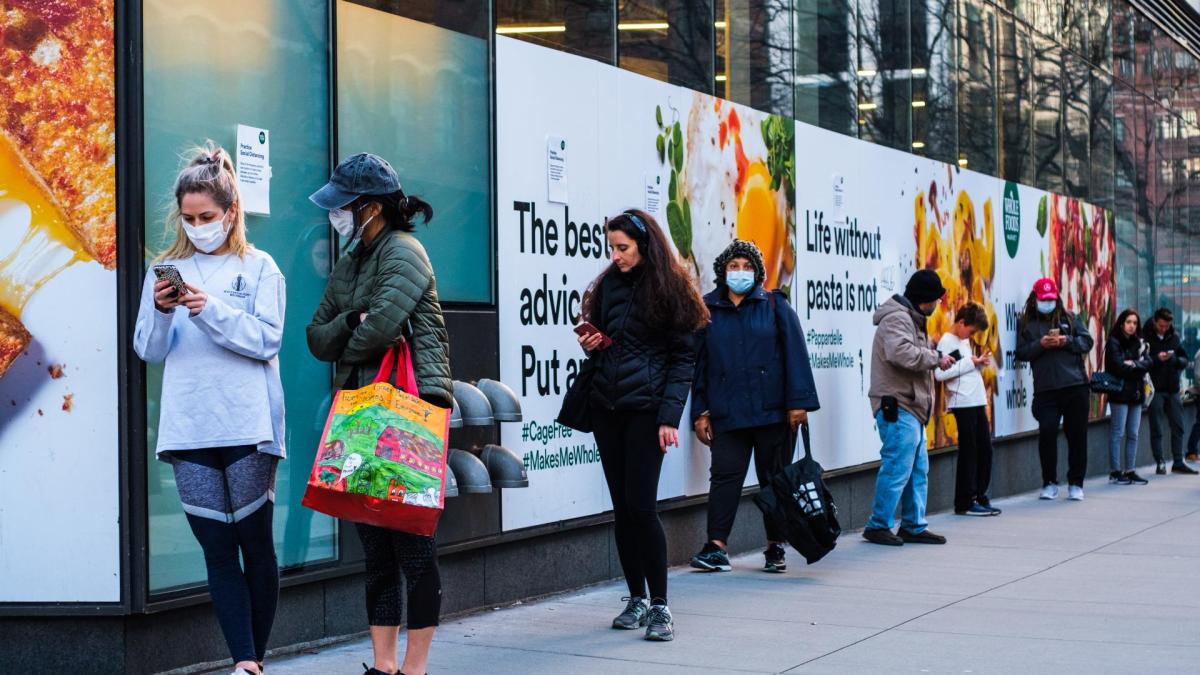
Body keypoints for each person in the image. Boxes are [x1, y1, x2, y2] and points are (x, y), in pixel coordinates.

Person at [133, 143, 285, 675]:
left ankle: (253, 659)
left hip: (248, 423)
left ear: (230, 213)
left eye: (207, 217)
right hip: (188, 425)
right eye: (189, 217)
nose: (197, 226)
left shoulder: (260, 267)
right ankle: (245, 661)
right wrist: (159, 309)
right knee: (217, 550)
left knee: (255, 545)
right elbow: (148, 350)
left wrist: (208, 309)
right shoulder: (165, 269)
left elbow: (267, 340)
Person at [306, 153, 450, 675]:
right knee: (377, 553)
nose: (336, 215)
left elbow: (380, 330)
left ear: (369, 206)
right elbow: (317, 337)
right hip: (362, 412)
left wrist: (354, 330)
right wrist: (351, 319)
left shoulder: (404, 251)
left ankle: (414, 669)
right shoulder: (355, 257)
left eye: (344, 205)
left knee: (414, 547)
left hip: (408, 410)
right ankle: (383, 667)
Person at [577, 209, 707, 642]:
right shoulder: (608, 286)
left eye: (623, 248)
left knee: (642, 507)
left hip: (647, 411)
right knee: (622, 509)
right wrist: (591, 341)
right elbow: (606, 343)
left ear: (645, 244)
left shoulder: (671, 289)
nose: (616, 256)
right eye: (611, 247)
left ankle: (661, 606)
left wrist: (669, 417)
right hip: (606, 407)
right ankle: (635, 598)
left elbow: (683, 358)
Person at [689, 240, 821, 574]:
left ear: (757, 272)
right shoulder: (706, 309)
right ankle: (716, 547)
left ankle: (775, 546)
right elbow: (698, 365)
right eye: (733, 266)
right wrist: (700, 411)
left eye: (747, 267)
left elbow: (796, 355)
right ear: (723, 271)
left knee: (774, 479)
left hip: (773, 412)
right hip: (727, 412)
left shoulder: (775, 306)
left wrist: (798, 404)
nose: (740, 272)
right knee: (724, 477)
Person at [862, 269, 955, 546]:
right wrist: (935, 358)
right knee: (897, 467)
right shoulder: (897, 319)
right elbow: (900, 353)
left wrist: (932, 357)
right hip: (897, 405)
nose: (938, 305)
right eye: (936, 300)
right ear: (925, 299)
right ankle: (878, 525)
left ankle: (913, 524)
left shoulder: (913, 319)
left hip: (911, 408)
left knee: (916, 470)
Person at [1015, 278, 1094, 501]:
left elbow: (1087, 342)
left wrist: (1065, 341)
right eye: (1043, 299)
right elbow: (1021, 353)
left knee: (1077, 436)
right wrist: (1041, 344)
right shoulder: (1027, 322)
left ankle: (1076, 483)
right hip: (1046, 389)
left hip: (1075, 386)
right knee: (1047, 432)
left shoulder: (1070, 317)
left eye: (1051, 299)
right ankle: (1049, 481)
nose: (1047, 302)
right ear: (1035, 298)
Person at [934, 303, 1001, 516]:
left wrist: (977, 363)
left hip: (974, 399)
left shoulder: (962, 340)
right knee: (970, 451)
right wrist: (971, 363)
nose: (971, 335)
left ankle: (979, 495)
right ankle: (966, 500)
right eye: (971, 331)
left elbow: (962, 367)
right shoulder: (947, 341)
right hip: (962, 402)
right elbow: (941, 374)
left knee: (984, 449)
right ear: (961, 323)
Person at [1142, 308, 1196, 475]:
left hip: (1172, 389)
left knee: (1178, 426)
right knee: (1156, 427)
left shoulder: (1175, 337)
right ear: (1155, 322)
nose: (1164, 328)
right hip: (1155, 389)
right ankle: (1160, 462)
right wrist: (1156, 359)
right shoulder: (1146, 338)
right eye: (1161, 325)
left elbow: (1185, 359)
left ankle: (1178, 461)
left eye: (1167, 325)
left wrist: (1173, 359)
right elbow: (1141, 362)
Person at [1104, 309, 1152, 485]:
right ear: (1122, 323)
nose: (1132, 326)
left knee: (1133, 433)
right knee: (1118, 432)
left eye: (1135, 322)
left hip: (1136, 393)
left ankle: (1130, 469)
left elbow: (1149, 362)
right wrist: (1137, 366)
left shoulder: (1139, 342)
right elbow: (1117, 367)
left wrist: (1133, 364)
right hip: (1119, 393)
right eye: (1129, 322)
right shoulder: (1114, 342)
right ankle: (1115, 471)